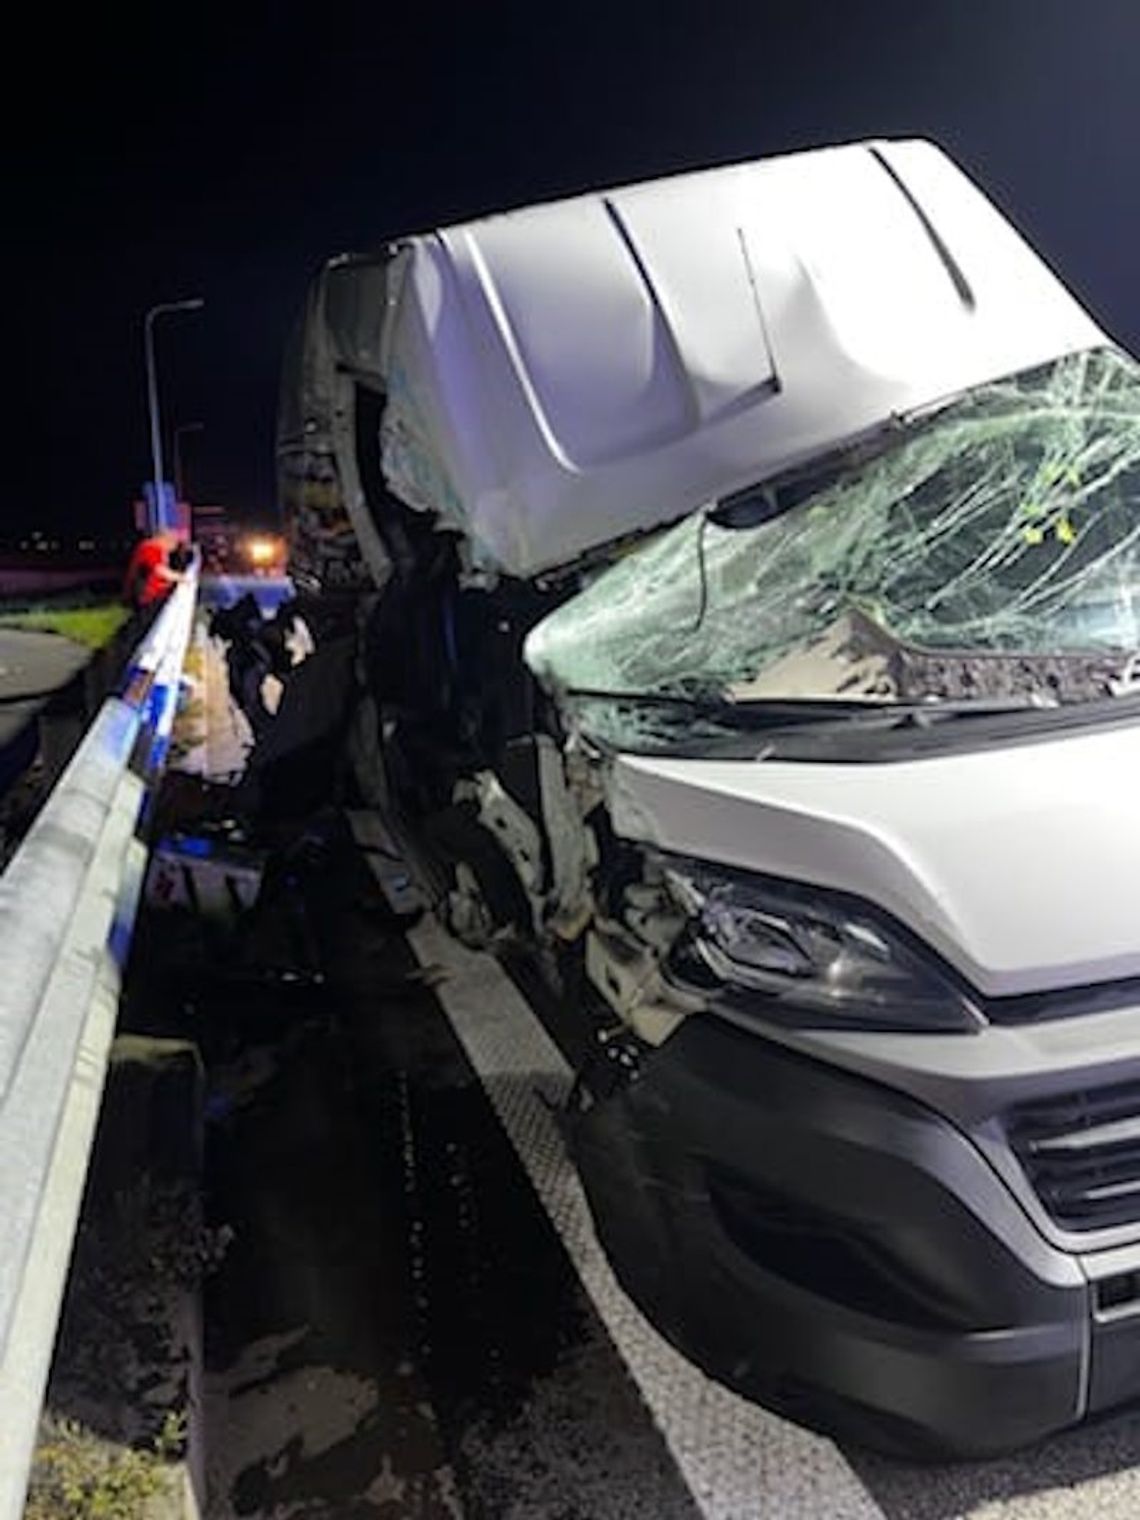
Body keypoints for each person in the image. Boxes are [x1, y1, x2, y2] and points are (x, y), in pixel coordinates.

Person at [123, 530, 187, 612]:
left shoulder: (152, 548)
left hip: (147, 595)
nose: (173, 548)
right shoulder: (151, 547)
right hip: (146, 597)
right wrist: (181, 578)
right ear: (164, 540)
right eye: (173, 544)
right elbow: (160, 570)